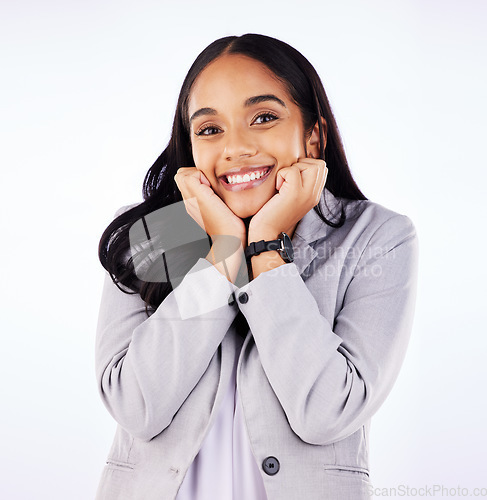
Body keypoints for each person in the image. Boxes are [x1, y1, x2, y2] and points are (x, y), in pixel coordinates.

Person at [94, 33, 419, 500]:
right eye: (210, 129)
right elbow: (137, 406)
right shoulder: (154, 236)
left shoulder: (376, 237)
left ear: (314, 134)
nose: (236, 147)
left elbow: (329, 411)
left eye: (263, 118)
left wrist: (266, 251)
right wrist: (223, 254)